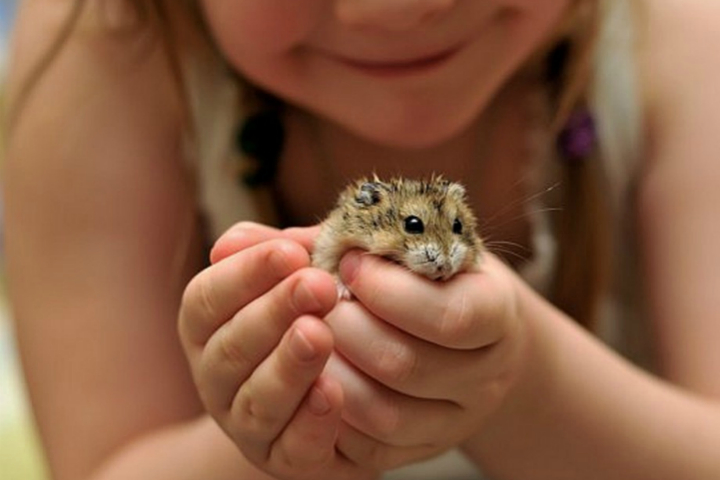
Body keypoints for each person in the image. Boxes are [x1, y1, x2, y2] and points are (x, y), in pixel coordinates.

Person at [4, 0, 720, 479]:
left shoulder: (684, 37)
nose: (398, 7)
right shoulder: (96, 42)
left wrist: (526, 383)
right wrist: (284, 429)